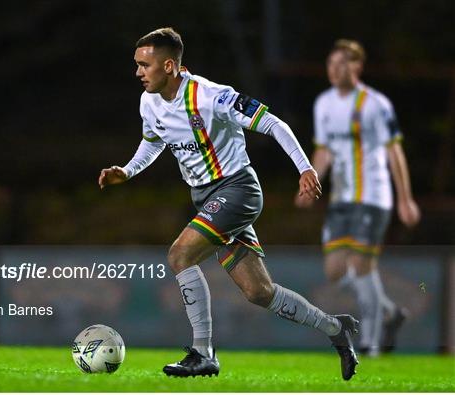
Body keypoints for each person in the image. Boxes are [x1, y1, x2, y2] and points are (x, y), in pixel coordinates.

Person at [99, 27, 359, 380]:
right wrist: (127, 172)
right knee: (259, 292)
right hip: (207, 197)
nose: (138, 72)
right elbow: (153, 141)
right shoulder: (149, 102)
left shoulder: (212, 96)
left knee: (180, 255)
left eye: (145, 65)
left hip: (237, 190)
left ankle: (203, 352)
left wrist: (305, 168)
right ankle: (335, 329)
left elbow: (274, 124)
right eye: (137, 65)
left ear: (170, 66)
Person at [295, 39, 421, 356]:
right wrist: (311, 179)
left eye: (342, 63)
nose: (335, 70)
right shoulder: (323, 104)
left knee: (361, 264)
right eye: (331, 64)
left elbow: (395, 151)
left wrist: (405, 198)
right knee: (335, 270)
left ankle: (372, 343)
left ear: (357, 67)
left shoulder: (376, 104)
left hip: (374, 196)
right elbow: (324, 150)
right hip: (342, 199)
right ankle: (390, 312)